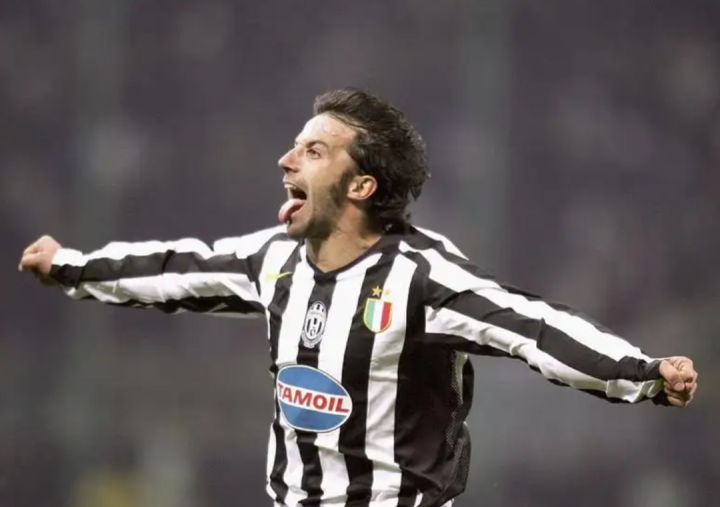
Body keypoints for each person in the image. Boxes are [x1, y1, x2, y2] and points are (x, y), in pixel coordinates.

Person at [19, 88, 698, 507]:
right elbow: (177, 269)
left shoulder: (423, 278)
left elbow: (536, 327)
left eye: (313, 151)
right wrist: (70, 266)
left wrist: (641, 373)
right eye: (294, 147)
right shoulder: (273, 258)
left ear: (362, 185)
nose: (287, 161)